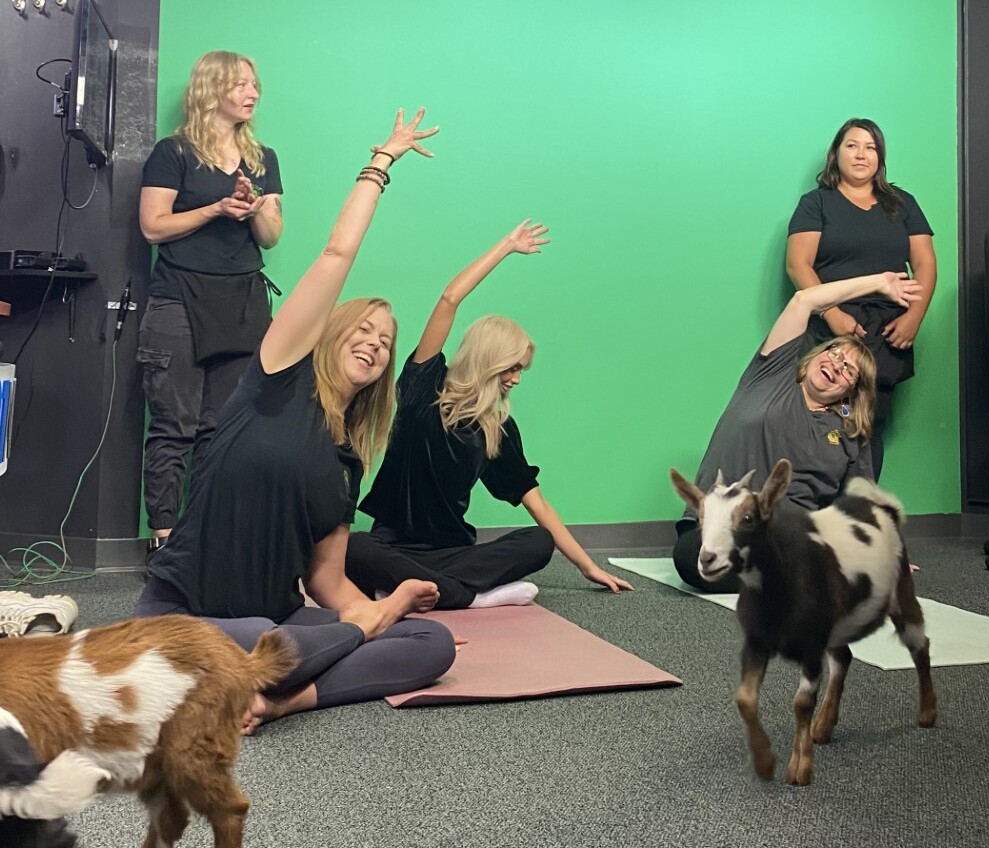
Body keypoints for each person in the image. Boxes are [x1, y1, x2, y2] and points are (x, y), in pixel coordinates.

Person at [136, 107, 455, 733]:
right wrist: (381, 163)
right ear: (330, 334)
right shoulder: (275, 378)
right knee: (265, 638)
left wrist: (375, 619)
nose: (374, 343)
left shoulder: (347, 462)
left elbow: (329, 586)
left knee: (431, 643)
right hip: (187, 616)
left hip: (277, 624)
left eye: (386, 342)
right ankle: (271, 669)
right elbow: (337, 253)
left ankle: (277, 699)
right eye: (362, 330)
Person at [346, 223, 633, 609]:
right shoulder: (422, 389)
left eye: (521, 370)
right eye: (511, 368)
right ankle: (468, 595)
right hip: (392, 546)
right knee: (352, 547)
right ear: (488, 360)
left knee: (537, 541)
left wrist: (587, 567)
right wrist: (507, 247)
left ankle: (416, 591)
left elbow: (538, 505)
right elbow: (449, 299)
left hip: (455, 553)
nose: (515, 379)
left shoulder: (497, 430)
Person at [673, 271, 921, 593]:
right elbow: (804, 300)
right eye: (834, 353)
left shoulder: (849, 431)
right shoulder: (771, 376)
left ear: (852, 391)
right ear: (815, 355)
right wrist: (878, 284)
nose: (837, 365)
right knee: (695, 561)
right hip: (717, 534)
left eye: (849, 370)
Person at [138, 51, 286, 559]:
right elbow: (154, 226)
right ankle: (164, 541)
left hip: (243, 302)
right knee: (173, 425)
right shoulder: (173, 152)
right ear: (212, 89)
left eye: (254, 83)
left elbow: (271, 237)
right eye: (242, 84)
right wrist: (217, 207)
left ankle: (204, 539)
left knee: (221, 430)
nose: (253, 93)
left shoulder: (263, 158)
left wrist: (251, 210)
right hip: (179, 299)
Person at [786, 118, 937, 479]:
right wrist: (832, 314)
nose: (861, 154)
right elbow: (798, 265)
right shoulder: (815, 203)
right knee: (817, 422)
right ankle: (811, 516)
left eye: (870, 147)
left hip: (888, 329)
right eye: (852, 145)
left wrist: (914, 317)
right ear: (836, 154)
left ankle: (860, 519)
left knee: (870, 425)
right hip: (830, 326)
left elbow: (925, 263)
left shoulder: (903, 204)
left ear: (880, 158)